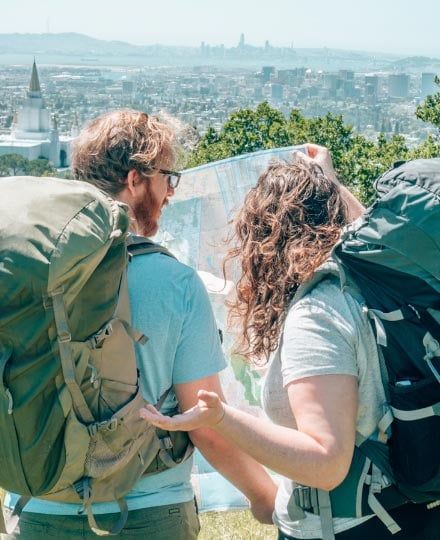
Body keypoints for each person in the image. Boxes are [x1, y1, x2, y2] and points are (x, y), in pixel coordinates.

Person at [140, 145, 440, 539]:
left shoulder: (320, 314)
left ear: (265, 239)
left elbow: (326, 463)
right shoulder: (377, 288)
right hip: (405, 515)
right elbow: (361, 222)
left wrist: (222, 418)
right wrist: (328, 183)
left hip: (350, 527)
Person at [2, 109, 277, 539]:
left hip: (38, 504)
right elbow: (203, 421)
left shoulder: (23, 271)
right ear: (134, 181)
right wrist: (265, 497)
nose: (170, 193)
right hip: (148, 510)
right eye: (168, 177)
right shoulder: (175, 282)